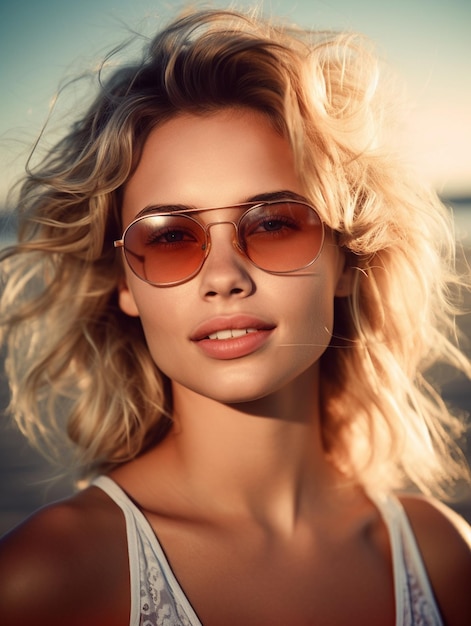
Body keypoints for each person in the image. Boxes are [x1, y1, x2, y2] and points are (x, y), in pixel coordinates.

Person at [0, 6, 470, 626]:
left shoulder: (440, 555)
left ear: (347, 258)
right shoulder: (47, 577)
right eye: (169, 238)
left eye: (274, 224)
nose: (223, 277)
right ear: (125, 284)